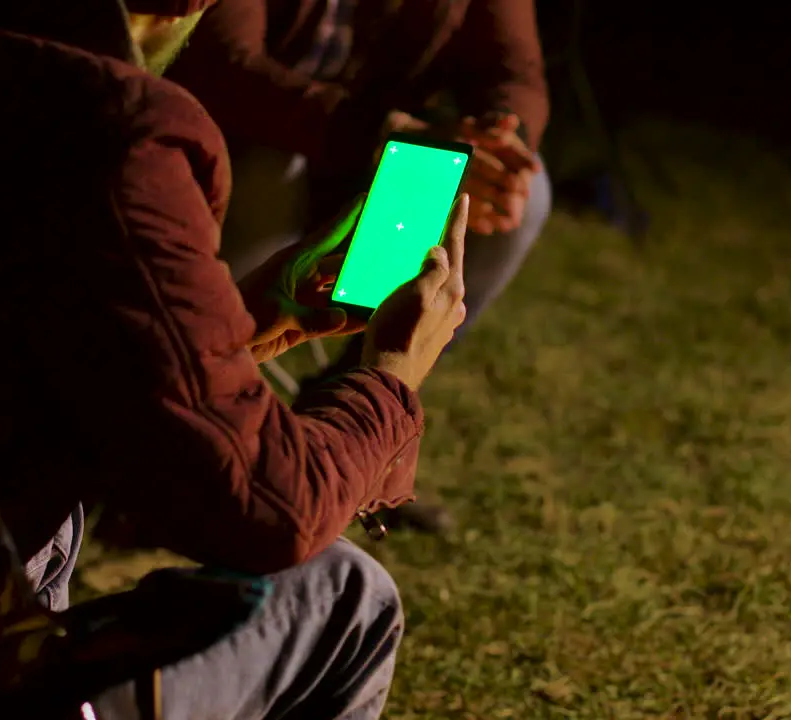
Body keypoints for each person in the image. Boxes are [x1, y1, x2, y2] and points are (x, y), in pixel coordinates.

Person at [0, 0, 468, 716]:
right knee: (346, 595)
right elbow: (266, 507)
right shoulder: (110, 126)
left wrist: (249, 323)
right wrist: (391, 378)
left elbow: (28, 368)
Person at [163, 0, 552, 534]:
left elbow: (515, 72)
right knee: (268, 174)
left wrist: (503, 143)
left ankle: (349, 437)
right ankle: (185, 429)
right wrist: (378, 134)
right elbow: (224, 63)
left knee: (522, 200)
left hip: (381, 153)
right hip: (262, 139)